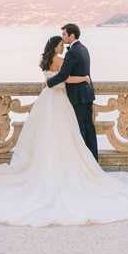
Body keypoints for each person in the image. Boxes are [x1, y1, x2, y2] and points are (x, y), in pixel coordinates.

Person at [0, 32, 128, 226]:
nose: (63, 46)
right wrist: (84, 78)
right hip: (60, 100)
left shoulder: (43, 61)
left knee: (44, 135)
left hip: (46, 100)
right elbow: (65, 78)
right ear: (55, 47)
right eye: (60, 44)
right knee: (66, 134)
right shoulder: (60, 60)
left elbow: (49, 81)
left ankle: (42, 166)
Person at [46, 23, 98, 160]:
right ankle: (92, 160)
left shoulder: (72, 52)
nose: (62, 38)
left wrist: (49, 83)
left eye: (64, 34)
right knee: (89, 128)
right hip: (87, 93)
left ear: (72, 35)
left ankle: (83, 162)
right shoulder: (84, 48)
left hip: (78, 96)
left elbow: (63, 76)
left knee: (80, 129)